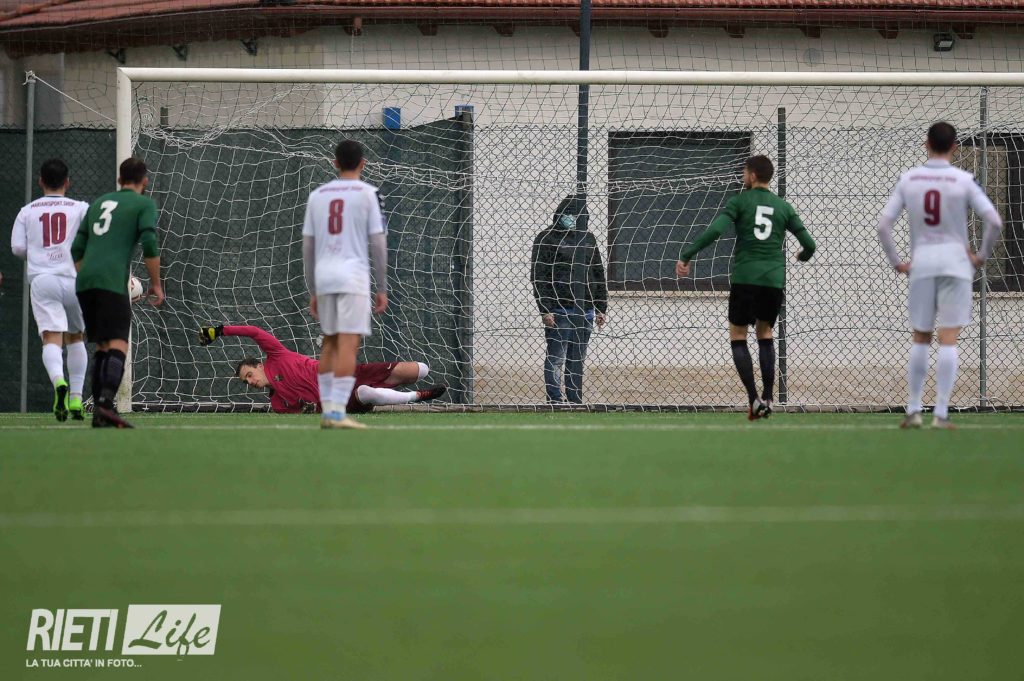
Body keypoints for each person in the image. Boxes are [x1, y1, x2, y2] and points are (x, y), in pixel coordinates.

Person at [877, 122, 1003, 430]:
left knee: (921, 336)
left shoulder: (910, 179)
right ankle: (941, 413)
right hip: (956, 264)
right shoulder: (963, 180)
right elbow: (994, 221)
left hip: (923, 264)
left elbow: (883, 225)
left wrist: (897, 262)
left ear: (926, 144)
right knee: (949, 338)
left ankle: (914, 409)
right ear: (955, 147)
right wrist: (981, 256)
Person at [676, 155, 816, 420]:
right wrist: (802, 256)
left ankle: (753, 399)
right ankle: (769, 397)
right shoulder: (783, 207)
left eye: (744, 172)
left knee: (738, 336)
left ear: (752, 175)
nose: (742, 176)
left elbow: (716, 230)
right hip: (773, 281)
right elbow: (810, 244)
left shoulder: (739, 202)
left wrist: (687, 254)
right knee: (765, 333)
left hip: (745, 278)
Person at [71, 157, 164, 428]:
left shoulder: (99, 203)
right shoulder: (143, 204)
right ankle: (105, 405)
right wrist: (156, 284)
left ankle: (101, 411)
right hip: (112, 281)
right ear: (145, 181)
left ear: (119, 180)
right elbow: (149, 242)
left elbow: (76, 249)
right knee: (118, 344)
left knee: (102, 345)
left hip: (85, 281)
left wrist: (88, 275)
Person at [303, 139, 389, 429]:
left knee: (330, 342)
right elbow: (378, 243)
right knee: (348, 345)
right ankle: (337, 413)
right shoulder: (369, 194)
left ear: (335, 163)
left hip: (324, 276)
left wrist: (313, 289)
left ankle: (328, 409)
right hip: (353, 277)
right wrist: (382, 286)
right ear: (363, 163)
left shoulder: (317, 195)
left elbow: (308, 247)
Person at [199, 324, 445, 413]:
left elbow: (254, 332)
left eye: (249, 375)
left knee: (420, 369)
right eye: (246, 382)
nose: (250, 382)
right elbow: (307, 414)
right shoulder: (277, 404)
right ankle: (417, 396)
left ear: (259, 365)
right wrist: (310, 410)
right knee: (364, 393)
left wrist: (219, 331)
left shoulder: (276, 355)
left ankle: (400, 387)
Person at [10, 159, 90, 421]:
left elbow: (17, 248)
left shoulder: (27, 211)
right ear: (67, 182)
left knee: (51, 337)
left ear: (40, 181)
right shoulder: (81, 208)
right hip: (74, 278)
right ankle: (76, 398)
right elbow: (92, 240)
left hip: (43, 279)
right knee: (76, 337)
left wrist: (39, 253)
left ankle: (59, 382)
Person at [530, 194, 608, 404]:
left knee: (577, 359)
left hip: (586, 309)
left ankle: (575, 400)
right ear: (560, 214)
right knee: (556, 357)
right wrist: (545, 308)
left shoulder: (588, 238)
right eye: (568, 214)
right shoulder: (546, 238)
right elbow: (539, 276)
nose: (572, 218)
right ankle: (555, 400)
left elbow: (598, 273)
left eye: (577, 215)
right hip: (559, 309)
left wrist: (601, 307)